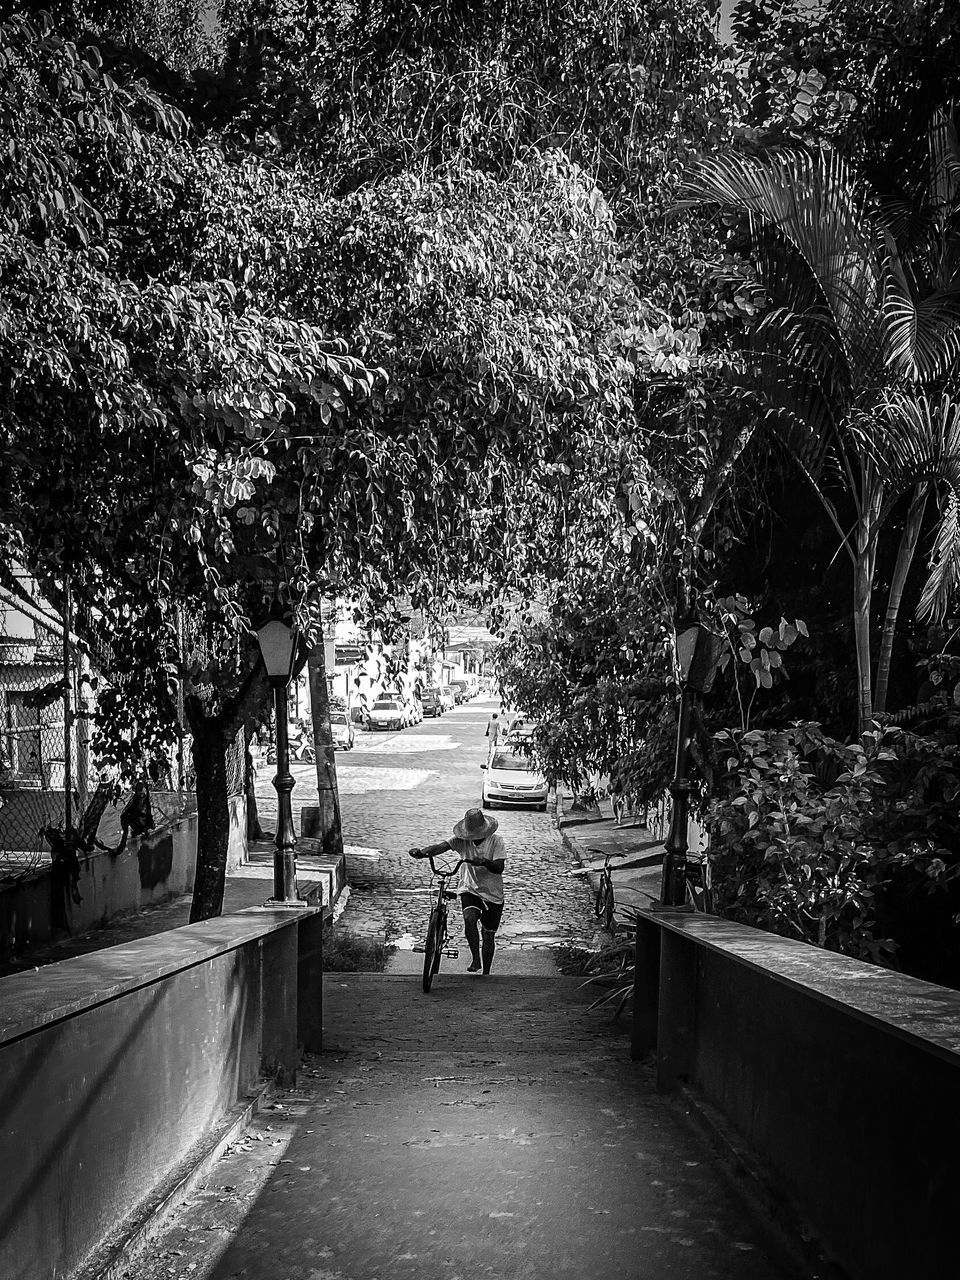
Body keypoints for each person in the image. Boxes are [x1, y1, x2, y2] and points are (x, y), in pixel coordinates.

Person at [410, 808, 506, 975]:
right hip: (470, 888)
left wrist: (484, 862)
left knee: (488, 934)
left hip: (493, 893)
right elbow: (440, 847)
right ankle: (476, 958)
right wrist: (422, 853)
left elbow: (499, 867)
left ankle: (487, 974)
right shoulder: (462, 840)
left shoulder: (496, 841)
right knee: (469, 918)